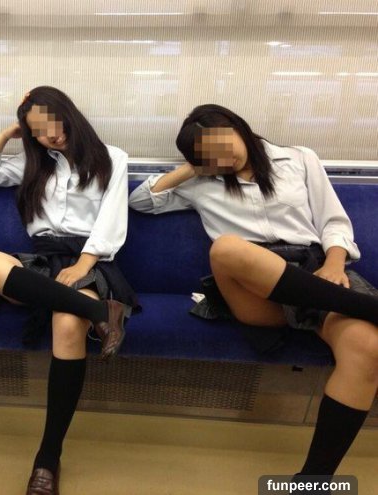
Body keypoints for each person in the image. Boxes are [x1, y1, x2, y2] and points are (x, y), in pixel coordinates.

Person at [129, 104, 378, 492]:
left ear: (236, 127)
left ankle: (313, 480)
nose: (223, 159)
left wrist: (334, 263)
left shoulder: (298, 159)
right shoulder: (203, 181)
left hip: (315, 276)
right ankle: (368, 307)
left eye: (223, 145)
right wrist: (193, 168)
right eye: (210, 156)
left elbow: (333, 221)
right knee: (227, 247)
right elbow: (141, 201)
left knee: (367, 347)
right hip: (254, 292)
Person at [0, 86, 138, 494]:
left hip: (88, 259)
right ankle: (101, 314)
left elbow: (111, 220)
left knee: (66, 324)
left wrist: (82, 265)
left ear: (69, 114)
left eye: (53, 123)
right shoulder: (33, 163)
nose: (51, 135)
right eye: (38, 131)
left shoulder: (111, 158)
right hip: (42, 261)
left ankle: (47, 457)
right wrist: (6, 136)